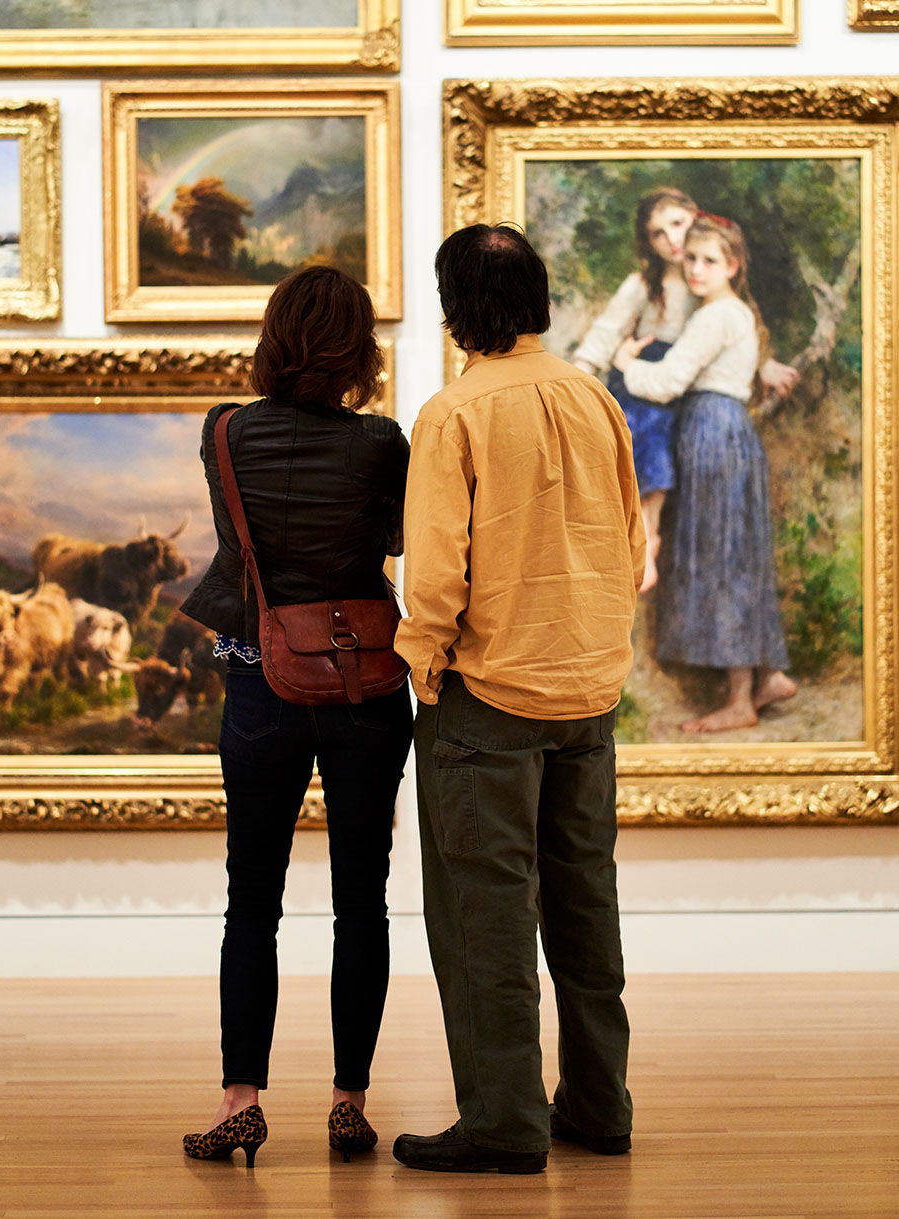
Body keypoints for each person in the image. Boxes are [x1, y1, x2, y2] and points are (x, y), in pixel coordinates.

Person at [391, 224, 645, 1174]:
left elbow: (437, 570)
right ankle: (597, 1104)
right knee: (584, 901)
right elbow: (630, 544)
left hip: (488, 697)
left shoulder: (451, 415)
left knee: (484, 915)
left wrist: (421, 661)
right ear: (537, 300)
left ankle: (502, 1121)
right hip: (587, 687)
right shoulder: (595, 397)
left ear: (456, 307)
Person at [179, 266, 413, 1165]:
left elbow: (242, 542)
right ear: (359, 350)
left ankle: (242, 1097)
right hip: (364, 685)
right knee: (363, 901)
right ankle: (349, 1102)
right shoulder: (381, 440)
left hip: (260, 677)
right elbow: (392, 541)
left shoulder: (225, 429)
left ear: (274, 339)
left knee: (253, 903)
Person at [612, 214, 797, 732]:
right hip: (725, 430)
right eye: (690, 258)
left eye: (709, 260)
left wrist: (625, 365)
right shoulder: (729, 312)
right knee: (736, 551)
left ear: (733, 265)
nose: (696, 268)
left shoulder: (717, 315)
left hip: (712, 433)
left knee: (724, 557)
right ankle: (766, 675)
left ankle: (740, 699)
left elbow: (669, 381)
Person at [574, 187, 798, 593]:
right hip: (644, 382)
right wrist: (580, 377)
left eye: (677, 224)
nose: (673, 240)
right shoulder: (645, 283)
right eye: (659, 234)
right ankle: (647, 540)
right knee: (650, 435)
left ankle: (653, 540)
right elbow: (605, 334)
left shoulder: (709, 279)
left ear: (696, 217)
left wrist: (763, 365)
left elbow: (727, 337)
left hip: (682, 389)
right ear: (649, 243)